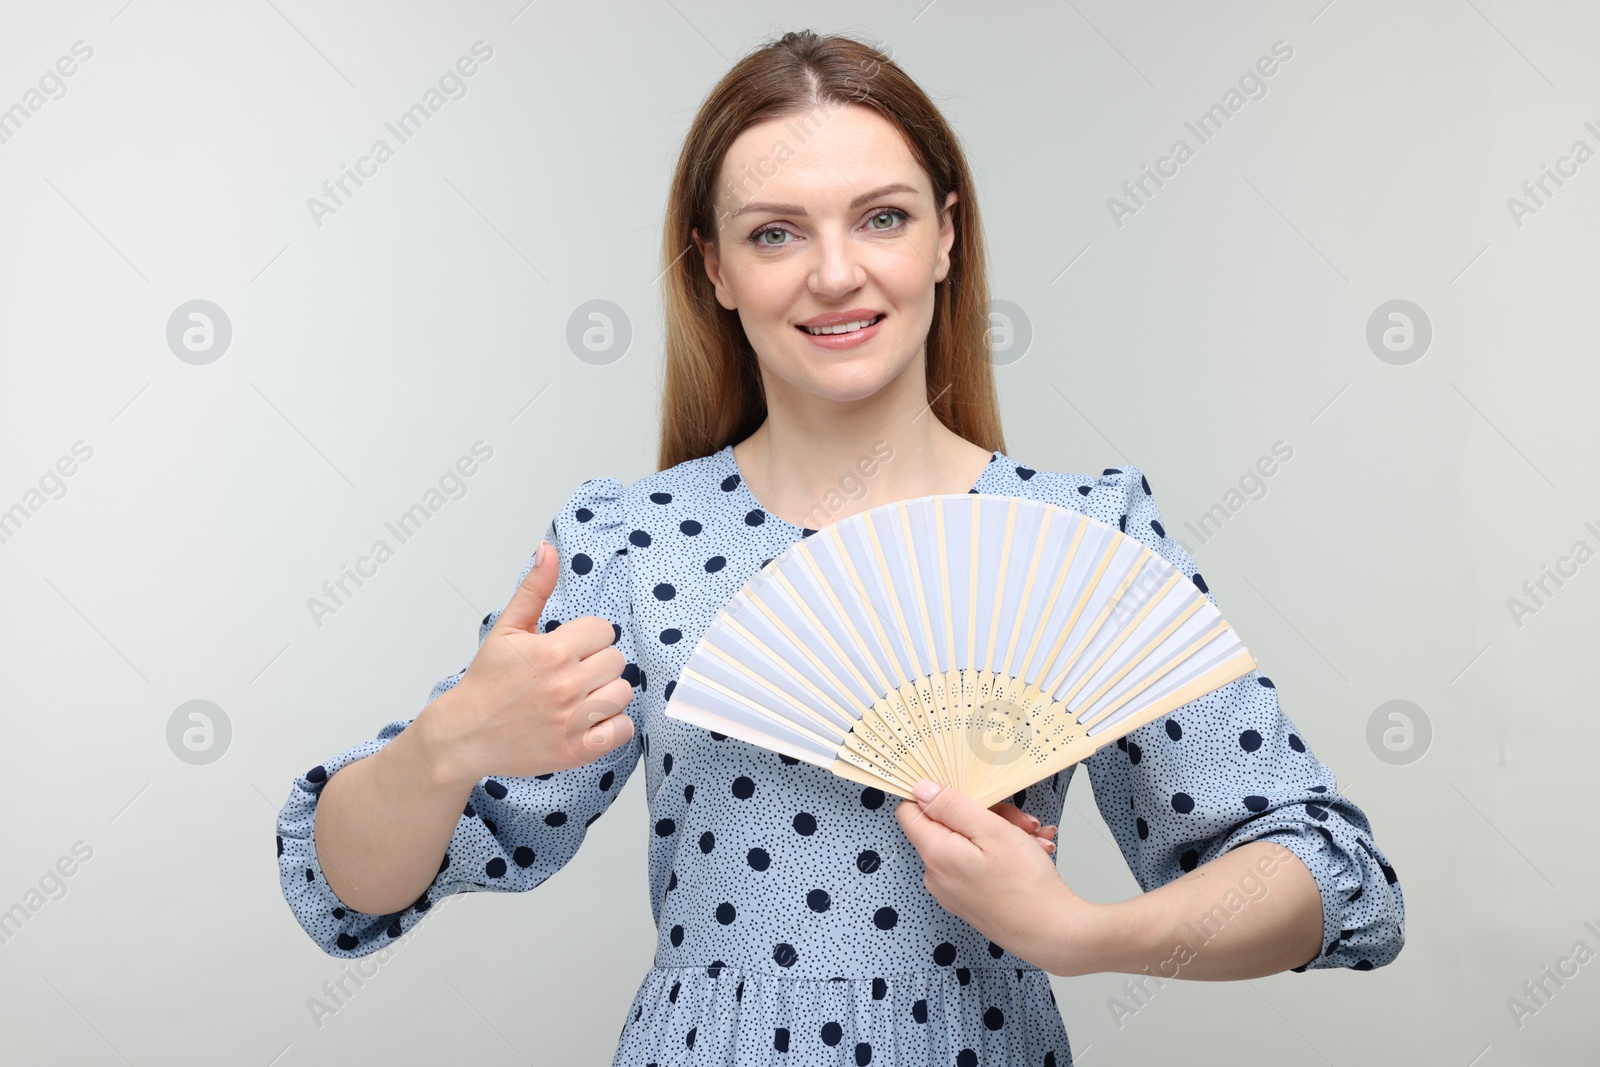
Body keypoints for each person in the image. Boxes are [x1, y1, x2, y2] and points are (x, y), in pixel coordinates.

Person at [276, 28, 1405, 1065]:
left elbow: (1321, 867)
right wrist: (440, 747)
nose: (833, 272)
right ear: (713, 268)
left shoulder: (1079, 536)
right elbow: (351, 890)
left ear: (948, 234)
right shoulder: (630, 543)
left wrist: (1084, 932)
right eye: (775, 232)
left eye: (881, 216)